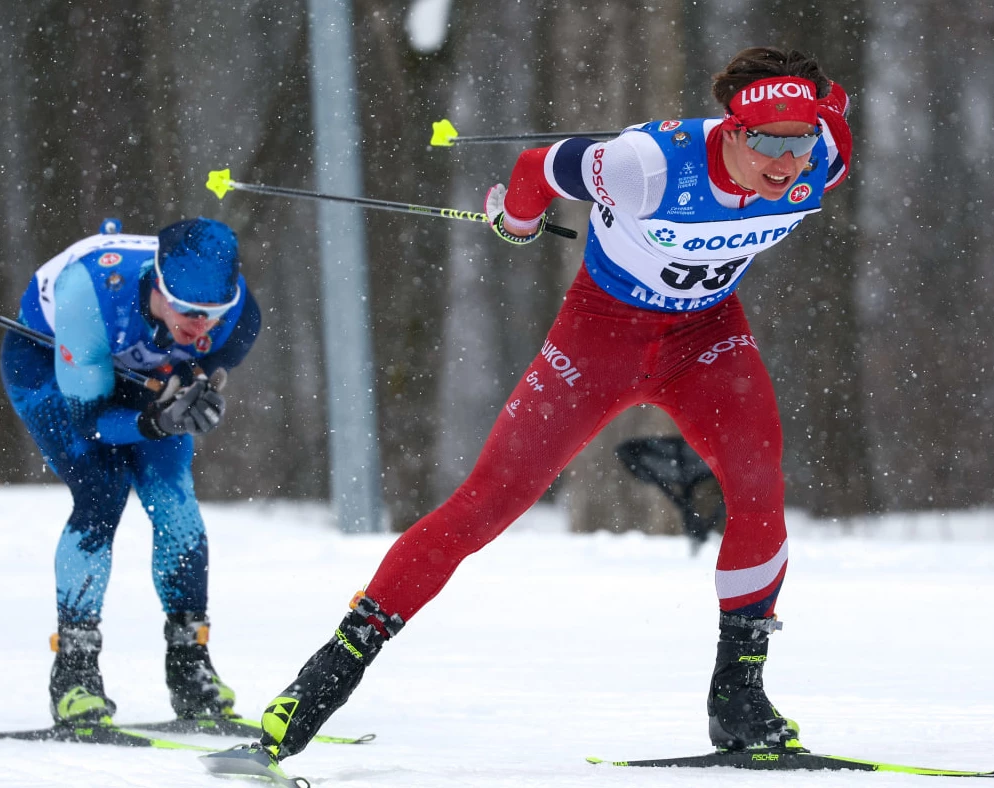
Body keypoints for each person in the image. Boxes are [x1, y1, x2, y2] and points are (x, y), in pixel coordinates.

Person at [253, 45, 853, 763]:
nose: (785, 164)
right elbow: (538, 168)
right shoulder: (646, 166)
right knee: (486, 504)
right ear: (730, 128)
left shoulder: (826, 154)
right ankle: (328, 674)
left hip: (706, 336)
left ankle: (739, 697)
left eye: (800, 140)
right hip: (601, 336)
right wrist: (515, 218)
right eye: (765, 143)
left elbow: (832, 110)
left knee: (760, 494)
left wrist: (817, 109)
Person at [0, 216, 262, 725]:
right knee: (101, 494)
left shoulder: (238, 315)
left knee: (175, 502)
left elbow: (212, 356)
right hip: (54, 364)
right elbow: (92, 422)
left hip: (140, 371)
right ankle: (74, 675)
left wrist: (195, 382)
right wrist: (156, 419)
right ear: (158, 282)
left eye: (213, 313)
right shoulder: (88, 294)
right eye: (186, 309)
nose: (199, 324)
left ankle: (191, 667)